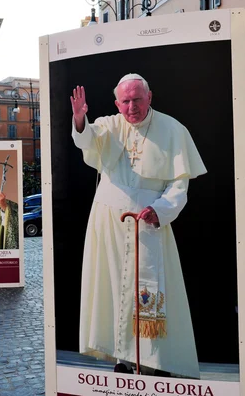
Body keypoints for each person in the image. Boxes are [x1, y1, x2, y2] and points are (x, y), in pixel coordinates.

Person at [70, 74, 207, 378]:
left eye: (137, 99)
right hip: (108, 225)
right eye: (126, 101)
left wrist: (160, 210)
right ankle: (121, 357)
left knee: (148, 294)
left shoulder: (172, 130)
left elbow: (179, 185)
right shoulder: (110, 124)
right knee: (113, 290)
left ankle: (156, 361)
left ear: (150, 97)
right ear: (117, 103)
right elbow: (86, 138)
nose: (131, 107)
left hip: (148, 224)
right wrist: (80, 119)